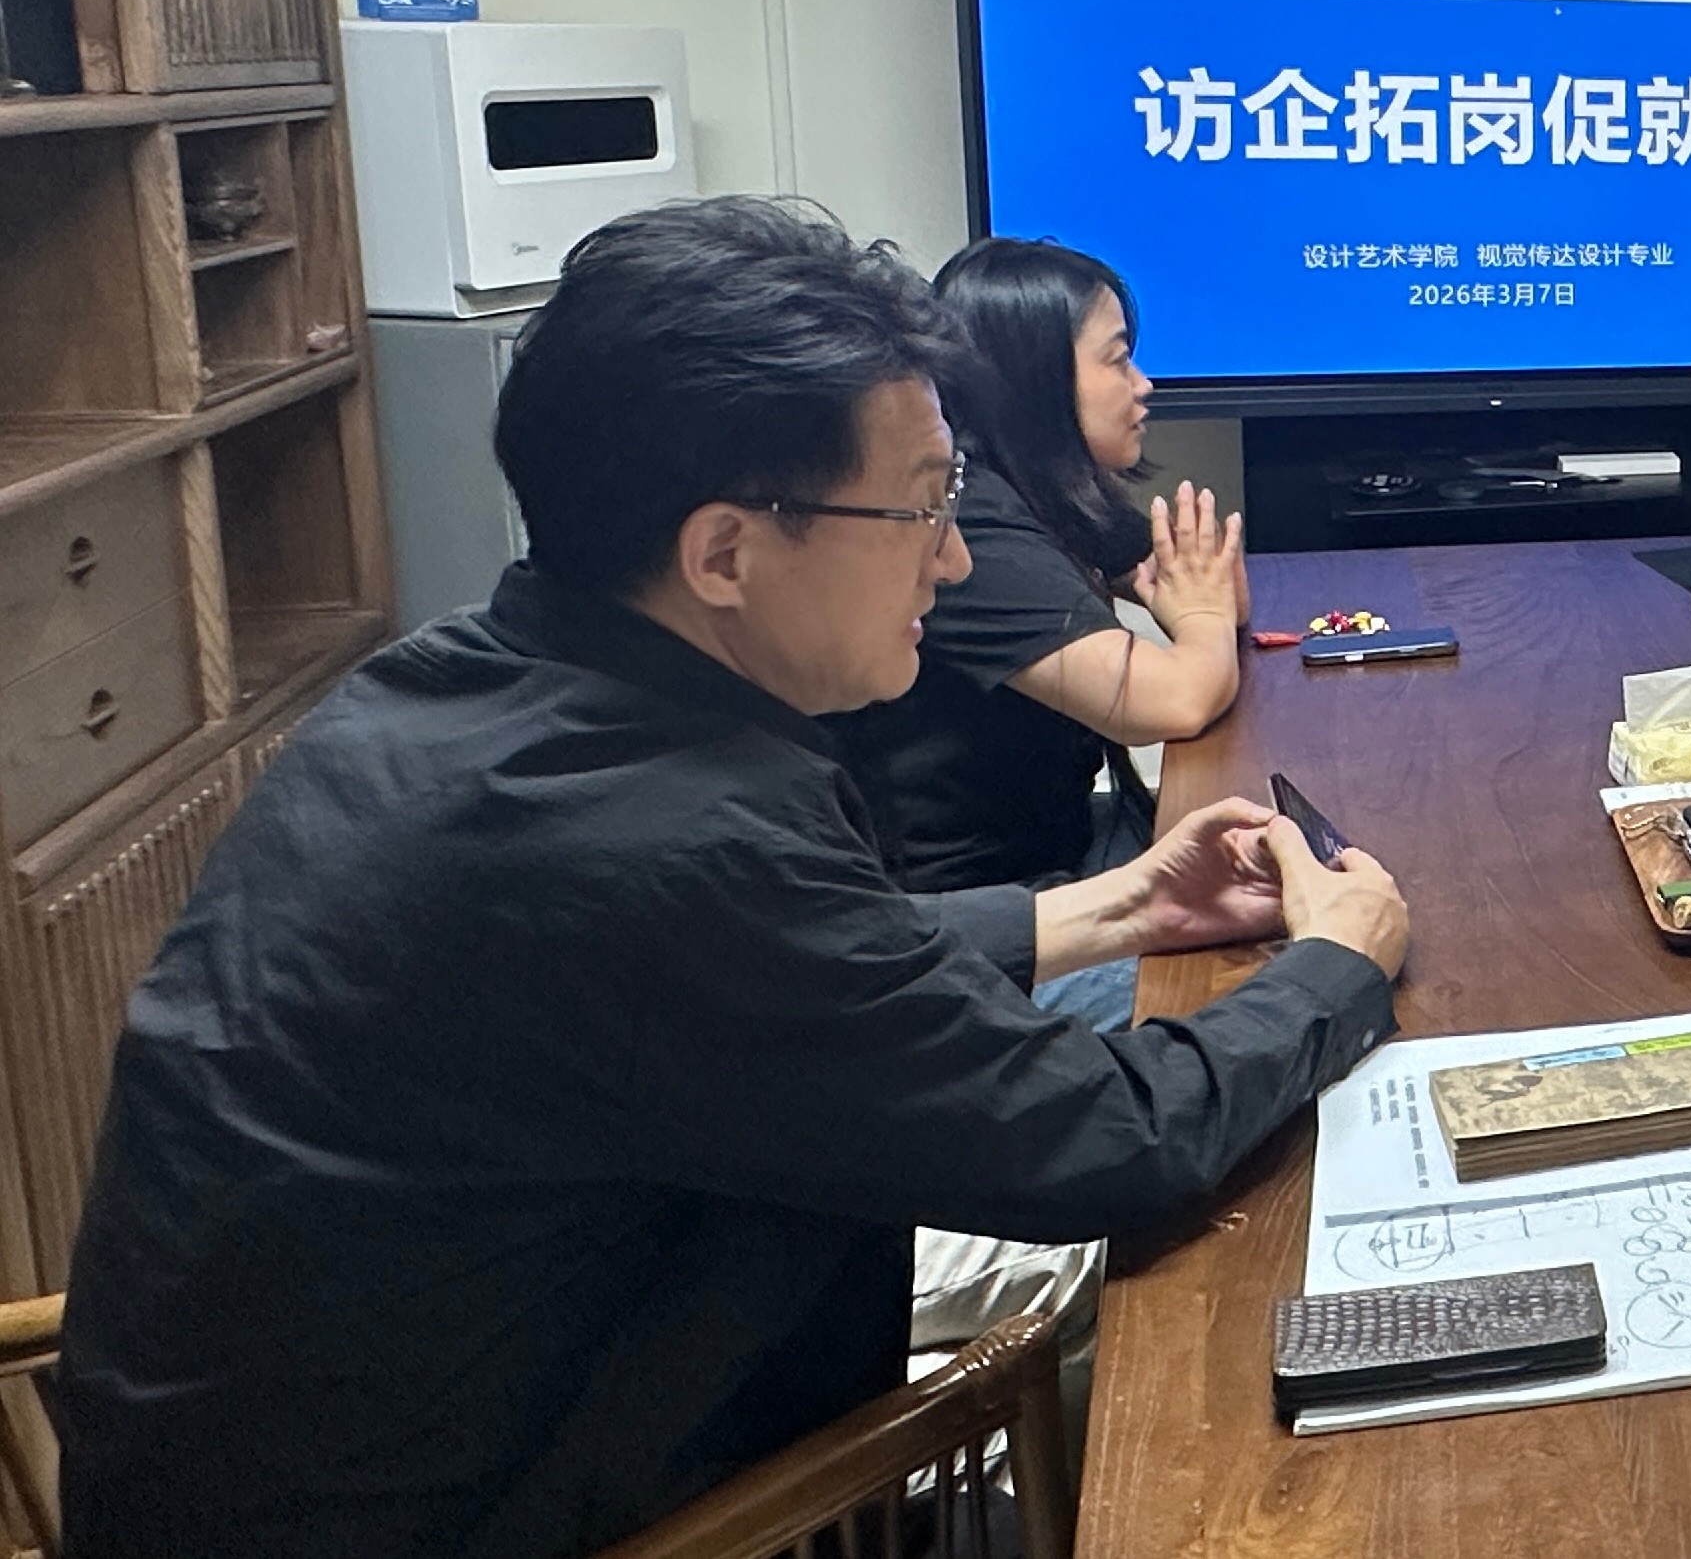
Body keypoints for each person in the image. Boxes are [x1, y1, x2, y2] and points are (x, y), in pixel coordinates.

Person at [52, 197, 1411, 1559]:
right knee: (1227, 1291)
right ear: (723, 552)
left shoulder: (458, 692)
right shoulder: (662, 841)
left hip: (365, 1437)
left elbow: (767, 967)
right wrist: (1334, 963)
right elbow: (1115, 1142)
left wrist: (1121, 906)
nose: (951, 556)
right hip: (538, 1505)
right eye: (926, 505)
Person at [827, 239, 1240, 1024]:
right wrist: (1202, 618)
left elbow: (1206, 585)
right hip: (980, 929)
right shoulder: (973, 522)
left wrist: (1206, 608)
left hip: (1061, 854)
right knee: (1267, 964)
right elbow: (1173, 699)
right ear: (1037, 380)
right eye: (1118, 360)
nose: (1143, 386)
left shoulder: (1040, 489)